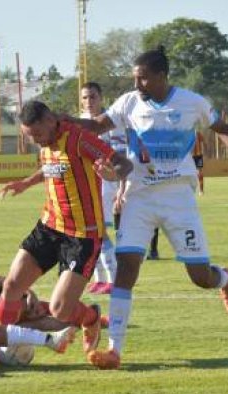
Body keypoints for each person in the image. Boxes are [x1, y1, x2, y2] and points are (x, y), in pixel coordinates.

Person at [61, 46, 228, 369]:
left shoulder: (191, 102)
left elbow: (222, 128)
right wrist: (63, 121)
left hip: (179, 198)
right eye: (134, 78)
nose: (137, 84)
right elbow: (97, 125)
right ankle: (114, 350)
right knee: (126, 269)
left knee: (200, 276)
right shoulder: (129, 102)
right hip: (139, 196)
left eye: (142, 78)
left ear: (160, 76)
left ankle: (224, 280)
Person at [0, 101, 133, 356]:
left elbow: (124, 164)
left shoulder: (79, 138)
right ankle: (0, 347)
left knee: (61, 311)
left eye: (37, 134)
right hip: (49, 226)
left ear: (50, 121)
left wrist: (112, 175)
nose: (35, 141)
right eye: (29, 137)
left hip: (82, 236)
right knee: (12, 286)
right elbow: (53, 168)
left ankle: (90, 317)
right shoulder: (47, 143)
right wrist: (26, 183)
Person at [80, 82, 128, 295]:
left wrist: (121, 188)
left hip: (106, 185)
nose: (89, 102)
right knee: (91, 232)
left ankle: (114, 277)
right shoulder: (79, 123)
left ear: (101, 98)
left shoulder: (111, 123)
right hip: (86, 184)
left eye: (92, 97)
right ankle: (100, 278)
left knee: (100, 232)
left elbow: (122, 158)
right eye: (85, 98)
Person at [147, 131, 206, 260]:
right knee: (157, 216)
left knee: (177, 218)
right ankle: (153, 250)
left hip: (177, 183)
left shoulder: (189, 134)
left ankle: (186, 249)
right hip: (164, 182)